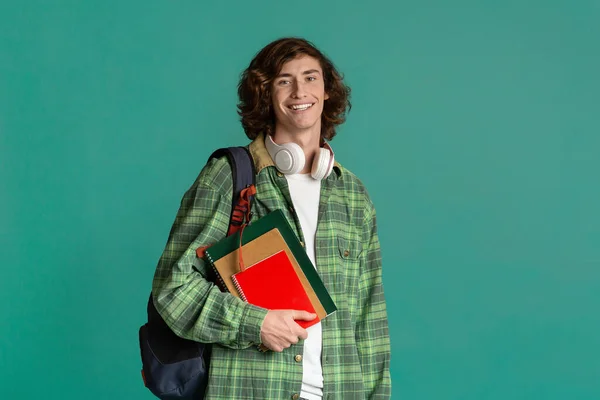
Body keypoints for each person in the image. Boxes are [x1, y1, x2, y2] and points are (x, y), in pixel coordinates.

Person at [152, 37, 391, 400]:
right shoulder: (229, 177)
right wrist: (256, 323)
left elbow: (370, 324)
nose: (300, 91)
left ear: (327, 91)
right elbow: (173, 290)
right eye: (284, 80)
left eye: (311, 78)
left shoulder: (353, 195)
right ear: (266, 94)